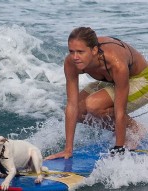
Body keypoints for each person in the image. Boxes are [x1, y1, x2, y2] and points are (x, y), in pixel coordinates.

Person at [46, 27, 148, 160]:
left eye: (80, 52)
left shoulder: (115, 63)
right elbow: (71, 105)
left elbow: (120, 110)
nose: (75, 57)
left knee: (94, 104)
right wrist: (68, 150)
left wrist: (119, 148)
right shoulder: (71, 63)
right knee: (77, 111)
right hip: (111, 80)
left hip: (141, 80)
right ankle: (129, 128)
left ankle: (134, 129)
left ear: (94, 50)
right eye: (72, 51)